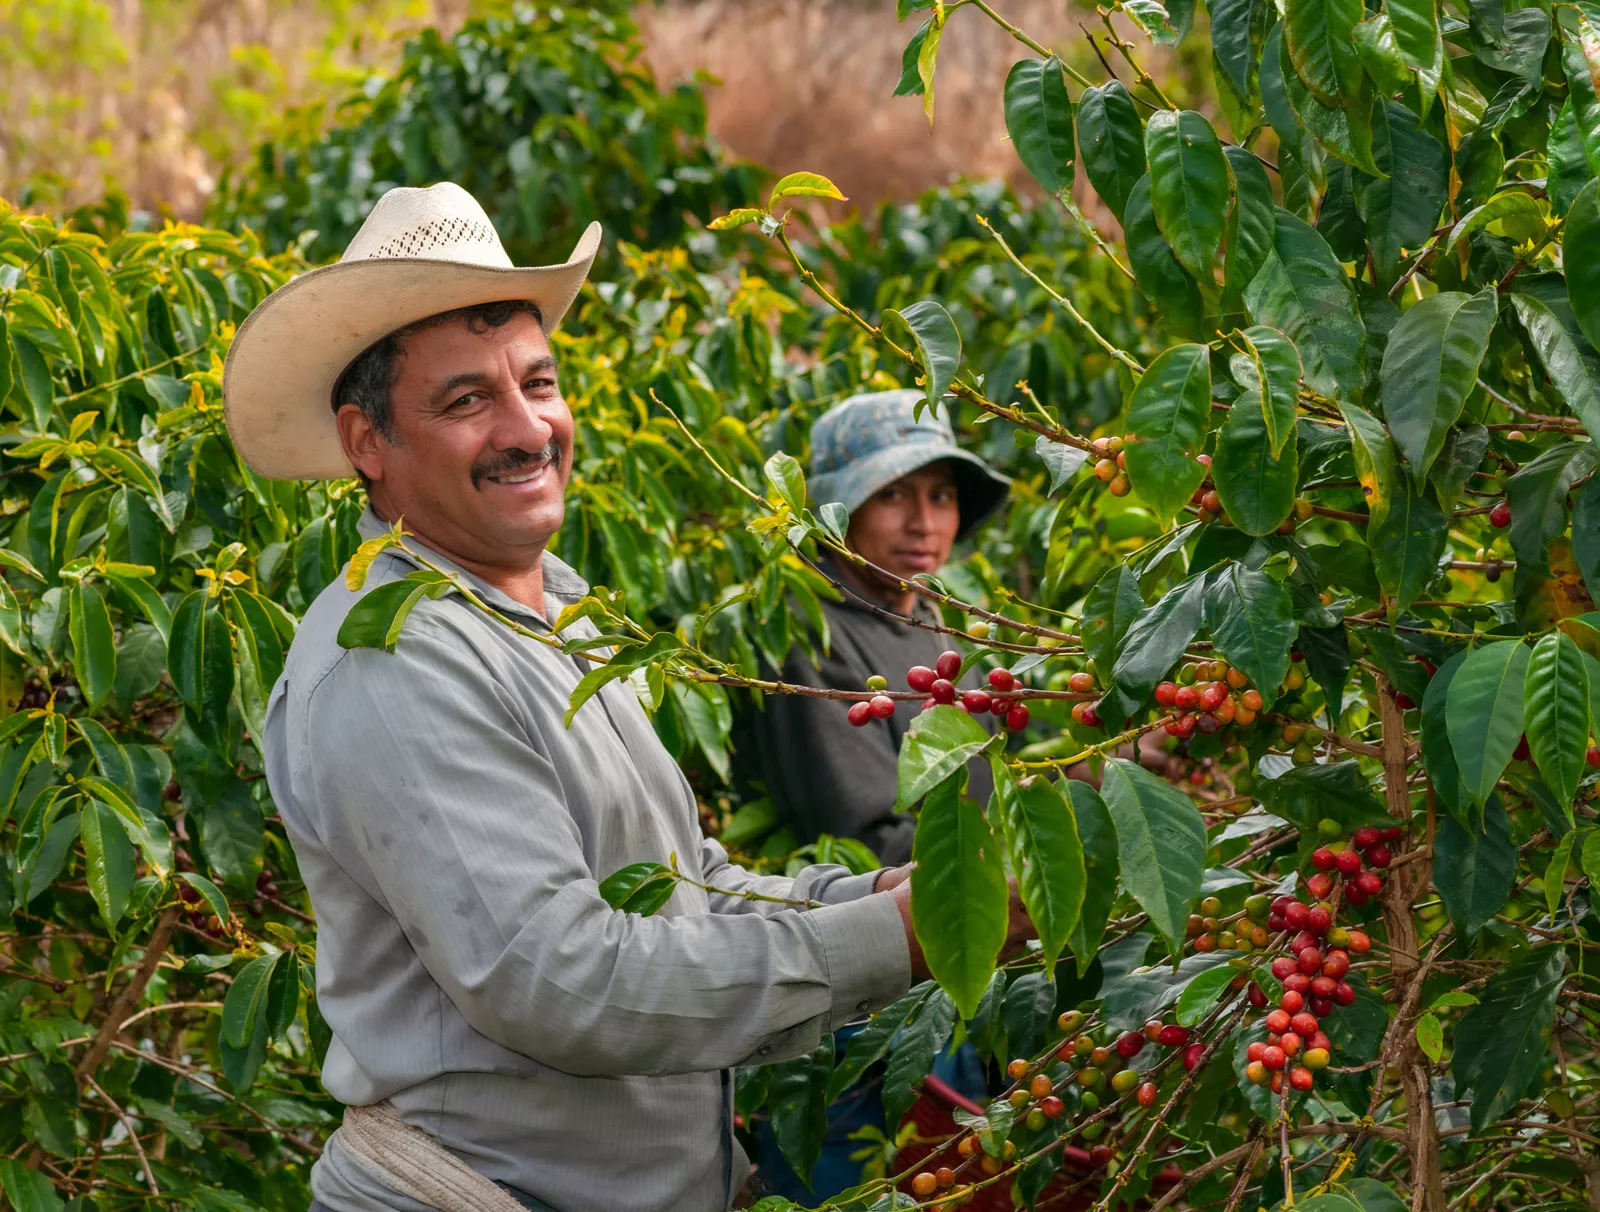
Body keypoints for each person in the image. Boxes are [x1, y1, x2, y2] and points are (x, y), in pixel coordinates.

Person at [222, 182, 1031, 1212]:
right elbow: (565, 983)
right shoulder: (397, 661)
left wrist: (893, 897)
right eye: (467, 400)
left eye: (539, 382)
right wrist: (900, 938)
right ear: (366, 443)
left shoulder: (557, 613)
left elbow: (681, 883)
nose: (527, 429)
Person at [736, 390, 1011, 866]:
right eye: (891, 493)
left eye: (941, 496)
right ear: (838, 510)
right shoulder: (809, 633)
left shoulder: (937, 617)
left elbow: (1001, 773)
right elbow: (872, 841)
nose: (924, 523)